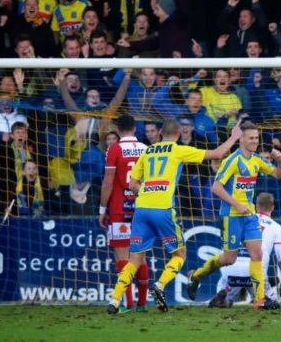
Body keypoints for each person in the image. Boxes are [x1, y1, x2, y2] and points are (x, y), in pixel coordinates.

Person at [106, 118, 244, 314]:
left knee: (134, 259)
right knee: (179, 255)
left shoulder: (148, 151)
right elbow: (218, 154)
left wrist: (146, 192)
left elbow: (132, 184)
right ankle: (160, 285)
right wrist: (234, 137)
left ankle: (115, 299)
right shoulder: (178, 150)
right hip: (163, 208)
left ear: (160, 133)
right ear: (178, 135)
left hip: (141, 208)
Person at [186, 121, 281, 311]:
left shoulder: (257, 160)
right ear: (241, 139)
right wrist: (237, 204)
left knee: (257, 253)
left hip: (249, 216)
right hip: (231, 216)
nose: (255, 141)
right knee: (229, 259)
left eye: (256, 138)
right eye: (251, 138)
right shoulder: (232, 160)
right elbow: (216, 187)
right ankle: (196, 275)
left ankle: (260, 299)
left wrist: (280, 161)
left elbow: (280, 176)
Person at [209, 193, 281, 308]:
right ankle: (266, 297)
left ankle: (224, 298)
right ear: (273, 208)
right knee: (275, 302)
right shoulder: (276, 227)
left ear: (256, 206)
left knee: (229, 293)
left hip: (232, 271)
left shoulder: (242, 221)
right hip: (256, 273)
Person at [99, 114, 148, 313]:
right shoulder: (146, 149)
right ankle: (142, 304)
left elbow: (108, 181)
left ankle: (127, 304)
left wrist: (102, 208)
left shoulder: (114, 149)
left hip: (120, 208)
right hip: (142, 207)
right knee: (140, 256)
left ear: (118, 131)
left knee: (122, 257)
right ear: (135, 128)